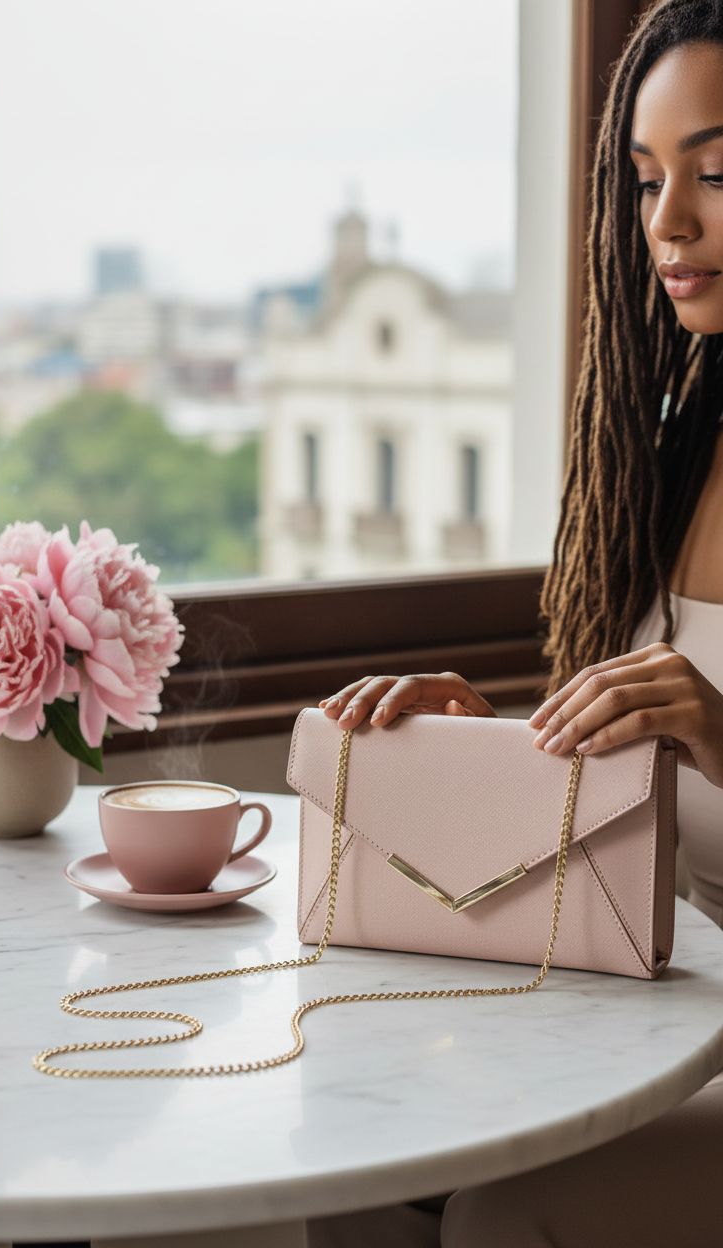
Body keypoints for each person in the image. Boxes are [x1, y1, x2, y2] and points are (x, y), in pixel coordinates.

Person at [305, 1, 723, 1243]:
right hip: (680, 1004)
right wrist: (497, 760)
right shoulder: (677, 444)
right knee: (357, 1142)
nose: (668, 223)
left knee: (503, 1214)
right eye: (645, 181)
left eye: (717, 170)